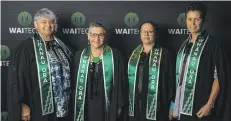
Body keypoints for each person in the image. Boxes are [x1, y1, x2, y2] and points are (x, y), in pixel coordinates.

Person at [7, 8, 72, 121]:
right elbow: (17, 79)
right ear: (35, 25)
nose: (48, 25)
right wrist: (22, 105)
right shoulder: (26, 48)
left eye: (51, 22)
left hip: (63, 107)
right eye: (44, 22)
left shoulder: (62, 46)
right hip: (39, 107)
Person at [173, 3, 229, 121]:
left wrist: (210, 104)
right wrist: (174, 104)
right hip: (182, 105)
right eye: (189, 19)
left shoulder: (213, 45)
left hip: (201, 106)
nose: (192, 23)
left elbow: (219, 77)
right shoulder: (184, 45)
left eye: (197, 19)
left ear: (203, 20)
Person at [72, 21, 125, 121]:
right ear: (88, 36)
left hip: (107, 102)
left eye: (100, 35)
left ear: (105, 37)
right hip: (86, 103)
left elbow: (121, 81)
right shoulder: (79, 55)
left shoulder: (115, 55)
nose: (96, 39)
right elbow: (74, 83)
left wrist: (118, 104)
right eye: (93, 35)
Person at [127, 21, 175, 121]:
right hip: (136, 105)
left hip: (158, 105)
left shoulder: (165, 55)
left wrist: (172, 106)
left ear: (156, 34)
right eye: (143, 31)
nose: (146, 34)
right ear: (139, 34)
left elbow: (172, 81)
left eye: (150, 31)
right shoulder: (133, 55)